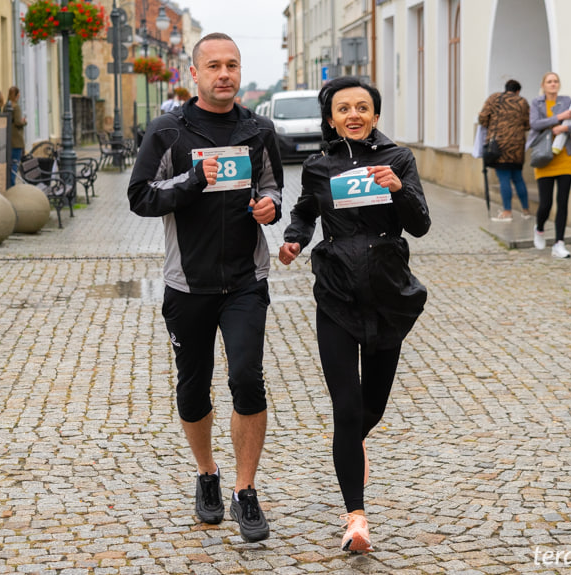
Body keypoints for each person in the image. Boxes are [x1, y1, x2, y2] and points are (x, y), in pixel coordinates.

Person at [127, 32, 284, 543]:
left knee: (247, 379)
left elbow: (271, 185)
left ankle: (246, 491)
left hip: (245, 281)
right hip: (187, 283)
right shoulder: (169, 130)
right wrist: (193, 181)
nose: (224, 74)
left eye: (232, 65)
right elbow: (140, 197)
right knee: (193, 388)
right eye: (213, 65)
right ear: (193, 74)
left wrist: (271, 208)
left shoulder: (259, 129)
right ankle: (208, 475)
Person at [278, 76, 430, 553]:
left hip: (387, 294)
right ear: (331, 119)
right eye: (344, 108)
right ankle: (356, 518)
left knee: (371, 409)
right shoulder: (318, 165)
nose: (354, 115)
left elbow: (421, 224)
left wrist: (399, 188)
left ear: (376, 116)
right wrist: (294, 239)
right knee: (347, 408)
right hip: (337, 296)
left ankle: (346, 447)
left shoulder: (398, 158)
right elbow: (305, 211)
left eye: (362, 107)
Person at [528, 72, 571, 258]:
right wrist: (558, 118)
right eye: (549, 81)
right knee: (546, 203)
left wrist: (565, 127)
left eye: (556, 81)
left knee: (562, 201)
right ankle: (540, 227)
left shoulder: (567, 101)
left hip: (565, 158)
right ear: (543, 85)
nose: (553, 84)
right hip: (544, 158)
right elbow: (535, 124)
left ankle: (559, 243)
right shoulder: (537, 103)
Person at [478, 79, 531, 222]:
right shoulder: (523, 102)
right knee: (518, 178)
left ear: (505, 88)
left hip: (498, 145)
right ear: (518, 91)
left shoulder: (494, 98)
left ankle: (507, 212)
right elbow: (527, 124)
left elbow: (482, 118)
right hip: (517, 146)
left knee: (504, 178)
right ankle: (526, 211)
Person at [3, 86, 27, 186]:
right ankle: (11, 185)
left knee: (9, 165)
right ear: (16, 95)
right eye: (18, 95)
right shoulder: (16, 107)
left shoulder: (5, 106)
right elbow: (18, 122)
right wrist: (24, 122)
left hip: (8, 140)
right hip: (16, 141)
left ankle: (9, 184)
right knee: (14, 165)